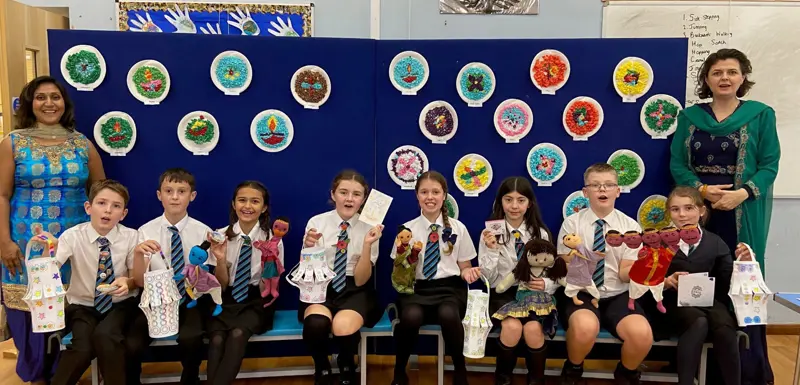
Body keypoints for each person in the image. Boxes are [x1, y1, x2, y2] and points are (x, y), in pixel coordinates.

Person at [669, 48, 779, 384]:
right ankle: (694, 356)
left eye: (732, 72)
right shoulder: (689, 118)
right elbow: (677, 164)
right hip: (702, 208)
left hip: (742, 211)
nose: (725, 78)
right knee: (694, 271)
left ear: (743, 77)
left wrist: (740, 194)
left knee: (739, 275)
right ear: (707, 79)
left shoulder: (761, 115)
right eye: (717, 73)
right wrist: (703, 193)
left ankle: (746, 369)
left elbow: (769, 165)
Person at [0, 76, 105, 384]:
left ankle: (63, 373)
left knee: (66, 306)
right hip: (23, 243)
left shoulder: (82, 143)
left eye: (55, 97)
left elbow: (101, 192)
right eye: (41, 97)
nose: (49, 103)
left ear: (65, 103)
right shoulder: (13, 142)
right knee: (28, 307)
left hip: (71, 245)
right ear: (29, 103)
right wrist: (4, 241)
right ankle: (36, 375)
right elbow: (2, 195)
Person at [556, 163, 651, 385]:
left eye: (608, 185)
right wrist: (581, 261)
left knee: (642, 334)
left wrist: (649, 269)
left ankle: (625, 374)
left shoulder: (630, 227)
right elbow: (563, 263)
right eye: (595, 185)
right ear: (585, 192)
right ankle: (573, 370)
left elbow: (625, 274)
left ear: (617, 191)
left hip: (618, 294)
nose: (602, 190)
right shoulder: (572, 223)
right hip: (582, 291)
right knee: (585, 328)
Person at [45, 179, 141, 385]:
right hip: (83, 306)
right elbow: (51, 266)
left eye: (116, 206)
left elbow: (135, 279)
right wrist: (48, 249)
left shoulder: (132, 237)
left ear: (123, 214)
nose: (107, 211)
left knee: (107, 337)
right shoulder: (72, 236)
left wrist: (127, 282)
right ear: (88, 207)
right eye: (101, 203)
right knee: (82, 347)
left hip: (120, 306)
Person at [392, 171, 482, 385]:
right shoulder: (407, 230)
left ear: (444, 196)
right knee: (411, 316)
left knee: (449, 314)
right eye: (424, 192)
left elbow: (464, 266)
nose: (429, 197)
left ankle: (460, 370)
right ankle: (398, 371)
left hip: (450, 289)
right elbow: (399, 269)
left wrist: (468, 273)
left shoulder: (458, 228)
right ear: (417, 195)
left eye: (435, 192)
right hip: (417, 289)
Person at [659, 186, 750, 385]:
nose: (682, 214)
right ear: (669, 213)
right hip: (671, 303)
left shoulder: (715, 243)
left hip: (708, 301)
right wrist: (665, 282)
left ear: (701, 211)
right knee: (697, 321)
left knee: (724, 325)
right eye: (675, 209)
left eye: (689, 208)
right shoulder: (660, 242)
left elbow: (727, 282)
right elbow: (646, 279)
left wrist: (741, 264)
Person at [300, 170, 383, 385]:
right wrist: (309, 249)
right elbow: (308, 271)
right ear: (333, 194)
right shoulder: (317, 223)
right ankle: (322, 367)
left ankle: (347, 363)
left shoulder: (370, 228)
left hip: (355, 287)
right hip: (321, 284)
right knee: (316, 323)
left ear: (363, 199)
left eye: (356, 194)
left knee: (343, 326)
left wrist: (367, 245)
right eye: (343, 192)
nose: (349, 199)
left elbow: (362, 279)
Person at [132, 168, 212, 385]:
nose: (175, 196)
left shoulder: (203, 232)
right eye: (168, 191)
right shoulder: (145, 231)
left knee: (191, 338)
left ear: (192, 196)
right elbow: (139, 281)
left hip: (190, 300)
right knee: (132, 342)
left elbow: (209, 279)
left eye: (181, 191)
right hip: (156, 302)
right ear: (159, 195)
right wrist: (139, 254)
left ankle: (190, 378)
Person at [477, 176, 555, 385]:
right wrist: (492, 251)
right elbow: (489, 279)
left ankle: (536, 380)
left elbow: (553, 273)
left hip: (533, 295)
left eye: (521, 200)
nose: (514, 206)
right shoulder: (490, 233)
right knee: (512, 328)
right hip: (502, 294)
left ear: (529, 203)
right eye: (508, 199)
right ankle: (503, 379)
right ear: (500, 202)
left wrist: (546, 285)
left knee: (532, 330)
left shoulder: (540, 233)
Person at [206, 181, 281, 384]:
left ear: (264, 207)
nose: (247, 206)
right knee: (217, 338)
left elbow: (269, 289)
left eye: (255, 201)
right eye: (242, 200)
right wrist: (220, 259)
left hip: (256, 299)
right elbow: (220, 286)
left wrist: (270, 263)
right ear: (233, 204)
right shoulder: (220, 236)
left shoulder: (272, 239)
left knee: (238, 334)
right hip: (225, 298)